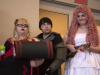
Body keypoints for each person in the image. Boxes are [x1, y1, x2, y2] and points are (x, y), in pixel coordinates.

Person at [64, 5, 100, 75]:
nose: (80, 18)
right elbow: (62, 44)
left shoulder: (97, 29)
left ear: (88, 16)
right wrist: (69, 46)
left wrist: (89, 47)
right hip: (74, 60)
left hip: (91, 61)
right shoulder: (70, 30)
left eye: (83, 15)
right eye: (78, 16)